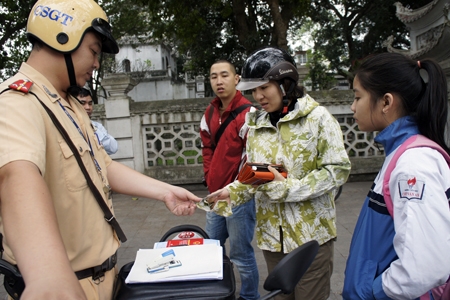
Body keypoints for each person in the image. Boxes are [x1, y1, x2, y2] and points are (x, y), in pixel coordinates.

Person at [0, 1, 200, 299]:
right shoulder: (17, 102)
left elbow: (102, 164)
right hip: (68, 287)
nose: (96, 63)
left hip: (104, 279)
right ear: (61, 38)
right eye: (94, 51)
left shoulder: (68, 104)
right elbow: (16, 177)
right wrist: (48, 278)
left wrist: (164, 191)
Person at [203, 47, 351, 300]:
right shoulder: (257, 125)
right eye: (253, 90)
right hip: (273, 240)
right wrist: (232, 191)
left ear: (285, 83)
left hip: (311, 238)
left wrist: (290, 189)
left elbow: (337, 170)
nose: (258, 96)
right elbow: (257, 174)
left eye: (265, 88)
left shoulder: (317, 119)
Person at [343, 52, 450, 299]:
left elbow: (424, 267)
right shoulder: (401, 153)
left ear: (386, 102)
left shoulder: (413, 164)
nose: (352, 106)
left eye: (358, 96)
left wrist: (374, 292)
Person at [199, 60, 259, 300]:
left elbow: (253, 158)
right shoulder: (211, 112)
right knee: (212, 247)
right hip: (215, 195)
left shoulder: (249, 113)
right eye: (214, 76)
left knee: (241, 255)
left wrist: (236, 188)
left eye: (224, 75)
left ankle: (249, 296)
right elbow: (206, 147)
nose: (219, 81)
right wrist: (209, 176)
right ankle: (220, 294)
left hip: (238, 197)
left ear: (237, 79)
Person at [75, 86, 119, 155]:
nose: (88, 107)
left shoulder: (96, 126)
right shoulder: (68, 126)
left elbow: (113, 148)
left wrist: (91, 128)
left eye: (90, 103)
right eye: (82, 103)